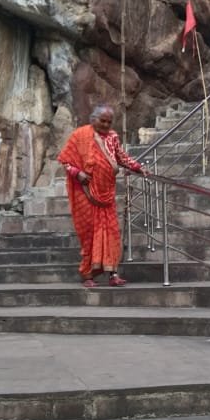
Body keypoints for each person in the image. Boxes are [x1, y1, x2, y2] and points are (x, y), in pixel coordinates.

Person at [57, 104, 148, 288]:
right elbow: (65, 161)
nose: (106, 125)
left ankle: (113, 274)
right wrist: (77, 173)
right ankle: (87, 275)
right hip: (86, 193)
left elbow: (121, 157)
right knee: (89, 234)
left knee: (112, 233)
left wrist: (138, 167)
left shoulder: (113, 137)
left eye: (109, 122)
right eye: (102, 121)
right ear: (93, 119)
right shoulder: (80, 135)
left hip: (107, 194)